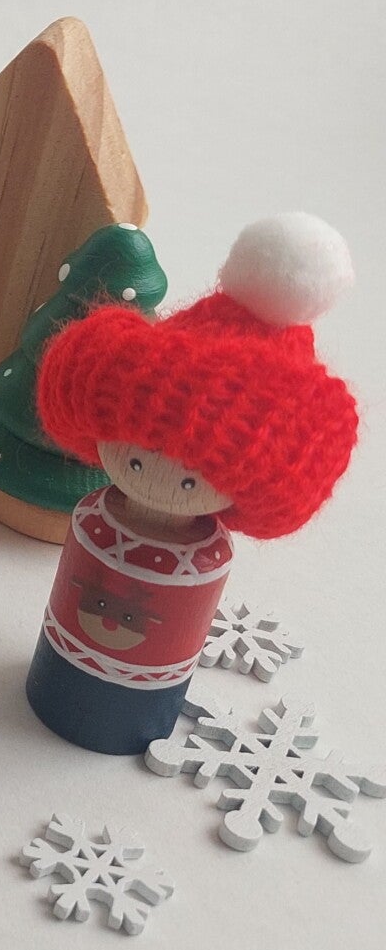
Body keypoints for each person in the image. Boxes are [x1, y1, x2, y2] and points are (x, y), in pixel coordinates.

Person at [26, 213, 359, 753]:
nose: (155, 481)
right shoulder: (93, 519)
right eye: (135, 462)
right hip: (59, 671)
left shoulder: (205, 558)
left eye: (189, 482)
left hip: (147, 696)